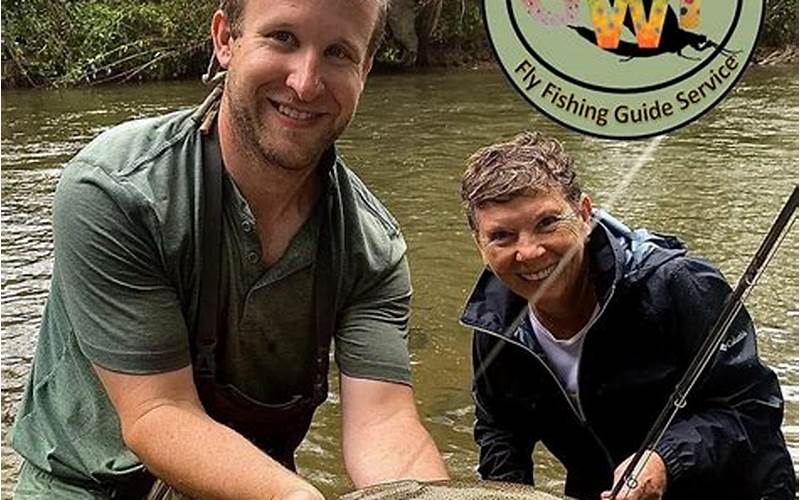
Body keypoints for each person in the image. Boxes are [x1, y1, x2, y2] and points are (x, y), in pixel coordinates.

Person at [11, 0, 450, 498]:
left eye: (338, 53)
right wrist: (296, 496)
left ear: (364, 70)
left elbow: (383, 421)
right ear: (225, 40)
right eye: (283, 38)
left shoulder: (372, 248)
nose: (306, 83)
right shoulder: (118, 191)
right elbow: (157, 411)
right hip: (87, 488)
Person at [458, 131, 797, 500]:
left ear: (584, 215)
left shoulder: (677, 284)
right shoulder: (494, 325)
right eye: (502, 236)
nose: (530, 251)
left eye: (547, 223)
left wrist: (666, 459)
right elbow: (500, 431)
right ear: (479, 244)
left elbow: (752, 408)